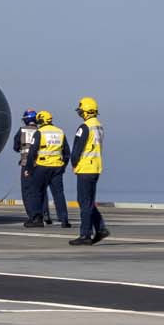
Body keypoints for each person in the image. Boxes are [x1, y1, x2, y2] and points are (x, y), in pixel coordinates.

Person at [67, 97, 107, 245]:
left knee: (84, 202)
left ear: (86, 111)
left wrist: (74, 163)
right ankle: (100, 228)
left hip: (85, 168)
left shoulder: (84, 127)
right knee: (89, 202)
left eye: (81, 110)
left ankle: (85, 235)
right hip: (96, 168)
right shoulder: (99, 126)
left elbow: (77, 149)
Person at [21, 110, 66, 228]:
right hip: (57, 167)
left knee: (37, 191)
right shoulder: (60, 132)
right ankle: (64, 219)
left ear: (40, 121)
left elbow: (32, 152)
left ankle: (37, 219)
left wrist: (29, 169)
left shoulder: (40, 132)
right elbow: (66, 152)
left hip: (42, 167)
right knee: (59, 193)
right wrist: (63, 166)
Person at [12, 109, 42, 226]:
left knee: (27, 192)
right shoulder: (41, 131)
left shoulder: (22, 130)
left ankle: (33, 217)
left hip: (26, 164)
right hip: (40, 165)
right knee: (39, 191)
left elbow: (15, 147)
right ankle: (41, 215)